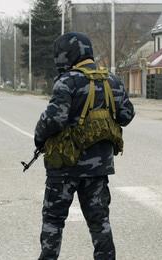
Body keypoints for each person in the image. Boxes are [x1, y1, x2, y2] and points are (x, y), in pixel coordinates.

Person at [34, 32, 135, 260]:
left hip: (64, 169)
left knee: (53, 221)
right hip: (98, 169)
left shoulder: (67, 81)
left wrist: (39, 139)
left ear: (68, 55)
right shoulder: (111, 80)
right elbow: (127, 115)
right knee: (100, 223)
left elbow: (54, 119)